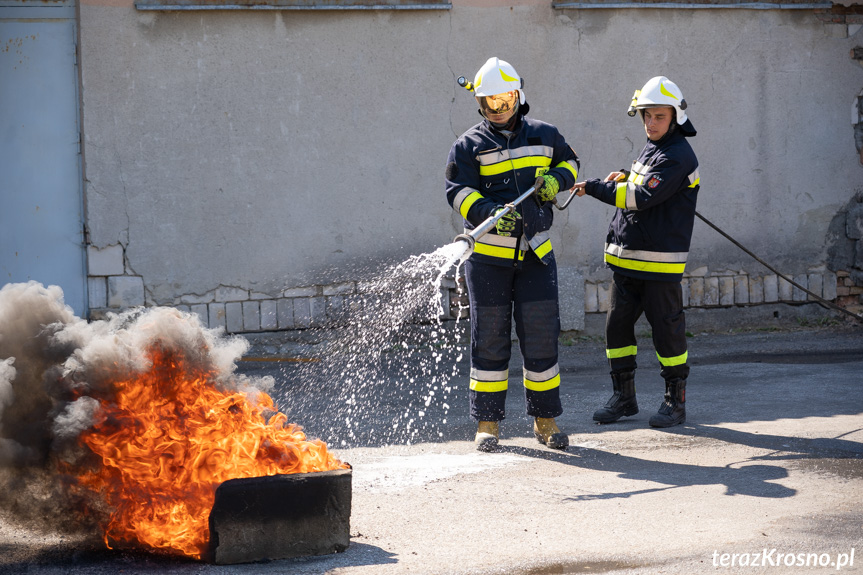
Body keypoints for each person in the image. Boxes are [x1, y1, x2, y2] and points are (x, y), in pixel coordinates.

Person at [445, 57, 580, 451]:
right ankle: (487, 423)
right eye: (490, 103)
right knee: (489, 339)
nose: (499, 110)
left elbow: (570, 162)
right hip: (488, 259)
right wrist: (489, 214)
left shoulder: (545, 133)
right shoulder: (468, 145)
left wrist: (557, 180)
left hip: (536, 256)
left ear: (519, 96)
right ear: (479, 104)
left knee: (541, 339)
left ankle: (545, 420)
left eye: (505, 101)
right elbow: (457, 191)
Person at [572, 76, 699, 428]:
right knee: (617, 330)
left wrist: (598, 188)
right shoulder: (654, 148)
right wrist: (627, 175)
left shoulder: (679, 156)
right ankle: (624, 398)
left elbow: (641, 197)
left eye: (659, 116)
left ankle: (675, 402)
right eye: (646, 116)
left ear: (675, 117)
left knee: (667, 333)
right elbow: (644, 182)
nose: (651, 123)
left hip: (658, 268)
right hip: (628, 263)